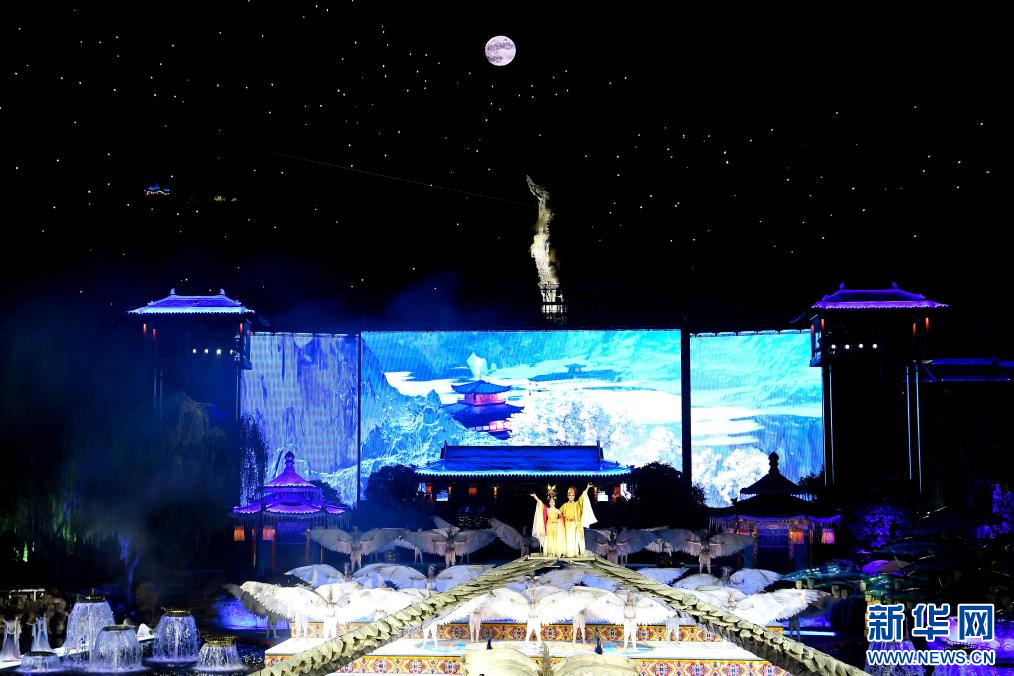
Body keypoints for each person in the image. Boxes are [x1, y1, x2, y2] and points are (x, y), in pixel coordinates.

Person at [559, 483, 597, 556]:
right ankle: (568, 553)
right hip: (567, 524)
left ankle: (575, 553)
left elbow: (583, 497)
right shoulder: (564, 505)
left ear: (574, 496)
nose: (571, 497)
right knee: (568, 538)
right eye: (570, 495)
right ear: (567, 496)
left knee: (575, 538)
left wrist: (587, 488)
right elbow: (558, 513)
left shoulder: (577, 504)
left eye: (572, 495)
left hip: (576, 523)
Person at [530, 485, 566, 557]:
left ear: (555, 503)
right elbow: (540, 503)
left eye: (553, 502)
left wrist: (558, 521)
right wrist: (535, 496)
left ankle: (555, 552)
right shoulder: (547, 509)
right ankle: (550, 552)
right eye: (550, 502)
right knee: (549, 539)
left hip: (555, 526)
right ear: (549, 503)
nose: (552, 503)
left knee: (555, 539)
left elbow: (562, 517)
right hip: (548, 526)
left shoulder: (557, 510)